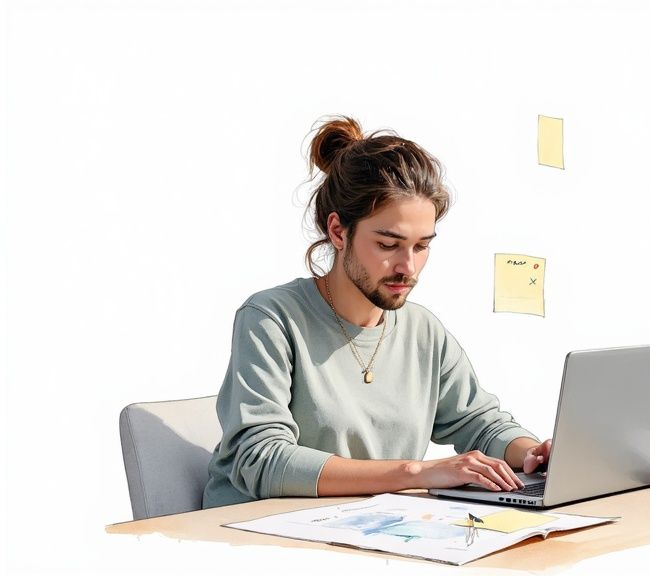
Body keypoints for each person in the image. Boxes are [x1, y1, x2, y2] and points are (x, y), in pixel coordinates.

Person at [202, 116, 552, 509]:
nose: (409, 267)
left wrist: (532, 454)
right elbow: (261, 460)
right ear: (338, 232)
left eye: (422, 246)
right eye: (388, 244)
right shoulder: (271, 319)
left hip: (369, 530)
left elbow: (481, 424)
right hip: (254, 535)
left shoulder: (422, 331)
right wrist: (416, 474)